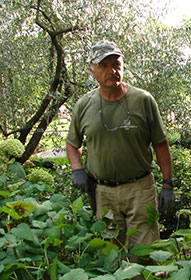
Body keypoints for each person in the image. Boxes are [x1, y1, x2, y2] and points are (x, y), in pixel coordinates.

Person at [66, 40, 175, 278]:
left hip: (140, 189)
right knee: (110, 255)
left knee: (145, 255)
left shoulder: (143, 100)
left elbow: (160, 143)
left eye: (116, 64)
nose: (111, 70)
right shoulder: (84, 106)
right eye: (103, 65)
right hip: (103, 193)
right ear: (91, 70)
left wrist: (168, 184)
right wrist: (77, 169)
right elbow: (72, 144)